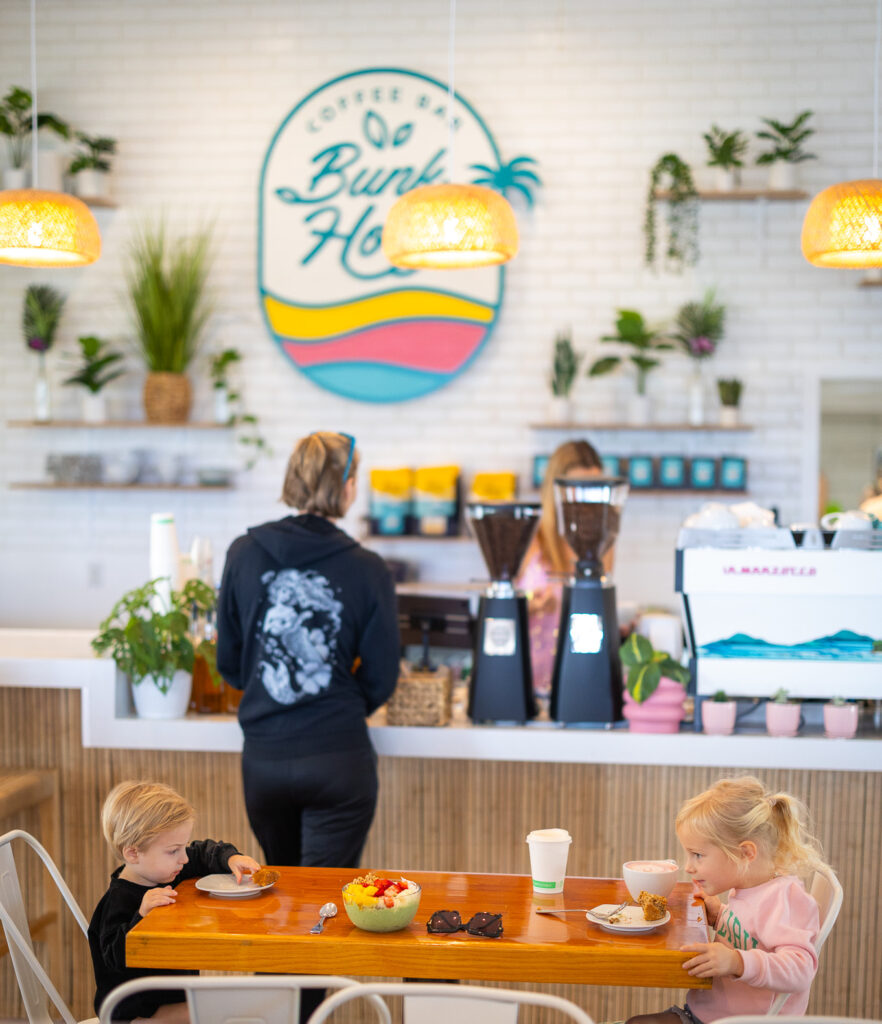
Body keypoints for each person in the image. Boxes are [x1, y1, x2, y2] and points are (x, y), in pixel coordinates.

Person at [217, 430, 399, 869]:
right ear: (348, 487)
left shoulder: (243, 554)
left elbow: (231, 663)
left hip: (264, 761)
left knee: (281, 897)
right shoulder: (368, 569)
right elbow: (381, 677)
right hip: (339, 756)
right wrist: (343, 699)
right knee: (327, 905)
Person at [627, 775, 826, 1024]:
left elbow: (801, 970)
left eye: (698, 855)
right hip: (705, 1014)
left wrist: (737, 962)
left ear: (745, 853)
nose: (689, 866)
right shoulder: (745, 887)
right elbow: (750, 934)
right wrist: (719, 915)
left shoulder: (785, 898)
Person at [89, 780, 260, 1022]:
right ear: (133, 853)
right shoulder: (118, 900)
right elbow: (112, 960)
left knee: (226, 1005)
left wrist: (231, 859)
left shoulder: (165, 869)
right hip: (135, 1014)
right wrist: (141, 918)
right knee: (222, 1010)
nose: (184, 859)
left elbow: (201, 852)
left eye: (182, 848)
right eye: (174, 851)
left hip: (171, 996)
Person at [517, 439, 607, 703]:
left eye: (593, 488)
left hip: (583, 672)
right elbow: (510, 607)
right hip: (533, 676)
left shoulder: (603, 542)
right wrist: (533, 605)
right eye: (576, 488)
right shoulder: (531, 536)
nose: (583, 498)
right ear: (555, 489)